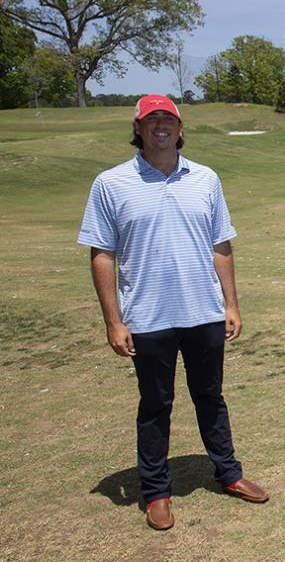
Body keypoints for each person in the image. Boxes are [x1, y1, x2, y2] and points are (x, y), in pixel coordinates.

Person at [78, 95, 269, 531]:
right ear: (139, 127)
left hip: (203, 311)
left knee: (211, 398)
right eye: (152, 120)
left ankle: (229, 473)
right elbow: (102, 253)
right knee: (155, 404)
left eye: (169, 119)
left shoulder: (205, 179)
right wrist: (113, 320)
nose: (161, 126)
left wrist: (232, 304)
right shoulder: (111, 183)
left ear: (181, 129)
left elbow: (221, 245)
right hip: (147, 316)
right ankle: (156, 491)